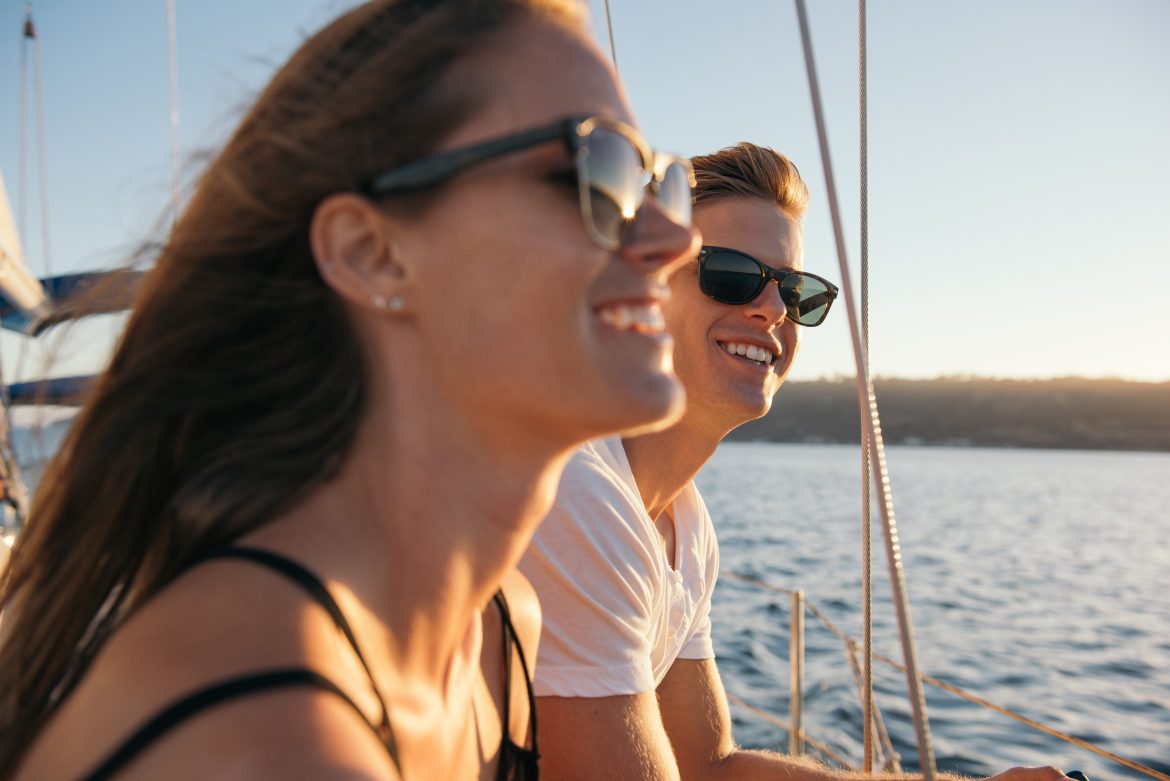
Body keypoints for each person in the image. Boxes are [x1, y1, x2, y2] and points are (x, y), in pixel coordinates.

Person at [0, 1, 700, 778]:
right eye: (598, 171)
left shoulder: (500, 635)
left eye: (657, 185)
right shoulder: (262, 739)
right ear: (371, 253)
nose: (677, 239)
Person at [519, 142, 1070, 781]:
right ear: (639, 284)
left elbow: (710, 765)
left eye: (796, 291)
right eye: (730, 274)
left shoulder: (686, 532)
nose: (774, 310)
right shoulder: (577, 492)